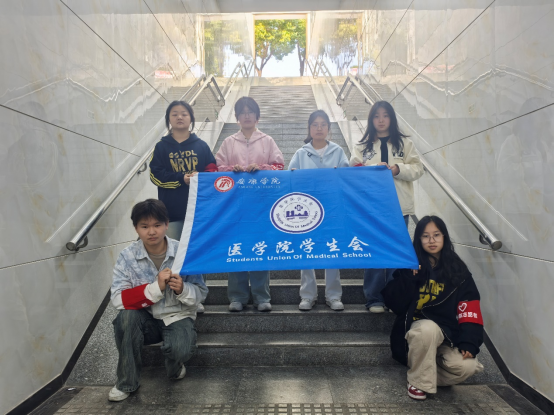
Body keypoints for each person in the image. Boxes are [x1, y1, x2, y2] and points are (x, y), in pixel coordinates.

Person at [108, 199, 208, 402]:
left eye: (157, 225)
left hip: (177, 315)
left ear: (167, 224)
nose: (151, 232)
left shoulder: (183, 252)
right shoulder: (127, 257)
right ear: (136, 228)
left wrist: (183, 289)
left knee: (180, 349)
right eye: (144, 226)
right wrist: (156, 288)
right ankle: (126, 382)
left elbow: (201, 292)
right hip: (144, 319)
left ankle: (175, 364)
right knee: (125, 318)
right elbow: (118, 298)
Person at [382, 216, 484, 401]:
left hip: (447, 335)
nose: (431, 240)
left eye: (436, 235)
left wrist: (469, 340)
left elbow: (469, 306)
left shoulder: (458, 269)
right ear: (418, 239)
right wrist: (409, 279)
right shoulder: (410, 265)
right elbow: (393, 303)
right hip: (417, 333)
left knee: (467, 367)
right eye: (425, 236)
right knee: (428, 328)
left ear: (444, 237)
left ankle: (422, 372)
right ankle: (418, 382)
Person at [350, 101, 424, 313]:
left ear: (392, 118)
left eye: (385, 115)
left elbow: (418, 168)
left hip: (398, 208)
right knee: (373, 251)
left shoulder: (405, 144)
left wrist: (398, 169)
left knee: (395, 253)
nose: (381, 120)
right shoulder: (362, 147)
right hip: (371, 208)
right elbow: (353, 171)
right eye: (376, 116)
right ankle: (374, 299)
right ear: (371, 120)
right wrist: (374, 169)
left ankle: (394, 298)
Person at [216, 97, 284, 313]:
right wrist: (231, 169)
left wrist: (262, 168)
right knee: (236, 249)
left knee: (259, 249)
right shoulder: (228, 142)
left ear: (257, 116)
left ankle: (262, 296)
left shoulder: (267, 141)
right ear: (237, 117)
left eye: (250, 111)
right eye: (242, 112)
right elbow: (217, 169)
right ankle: (237, 297)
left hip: (261, 206)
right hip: (234, 206)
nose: (246, 116)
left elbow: (279, 166)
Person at [150, 101, 217, 313]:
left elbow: (213, 170)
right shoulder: (161, 147)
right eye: (175, 114)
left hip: (198, 213)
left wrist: (201, 176)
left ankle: (196, 297)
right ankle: (173, 298)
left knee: (196, 254)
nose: (180, 117)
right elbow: (155, 175)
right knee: (172, 256)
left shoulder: (201, 146)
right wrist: (182, 179)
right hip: (171, 213)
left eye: (184, 114)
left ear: (191, 118)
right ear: (168, 119)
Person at [289, 110, 349, 312]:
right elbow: (290, 179)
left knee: (332, 250)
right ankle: (308, 295)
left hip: (332, 210)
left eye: (323, 124)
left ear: (329, 129)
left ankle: (333, 295)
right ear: (309, 128)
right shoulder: (300, 153)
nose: (319, 128)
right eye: (315, 124)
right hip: (307, 212)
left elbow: (347, 177)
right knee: (306, 250)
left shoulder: (338, 152)